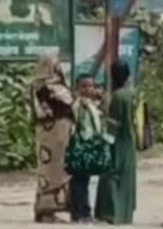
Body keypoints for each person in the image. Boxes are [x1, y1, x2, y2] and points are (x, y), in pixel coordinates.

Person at [31, 53, 74, 223]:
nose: (59, 68)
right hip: (51, 136)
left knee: (59, 170)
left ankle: (46, 209)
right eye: (55, 65)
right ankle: (47, 210)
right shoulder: (43, 88)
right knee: (50, 172)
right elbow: (52, 110)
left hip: (60, 136)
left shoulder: (58, 86)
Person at [95, 61, 137, 225]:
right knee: (126, 178)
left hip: (118, 143)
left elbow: (114, 126)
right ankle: (125, 214)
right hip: (130, 142)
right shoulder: (132, 93)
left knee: (111, 176)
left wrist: (104, 143)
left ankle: (111, 214)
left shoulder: (118, 97)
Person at [69, 73, 104, 223]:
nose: (88, 89)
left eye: (90, 85)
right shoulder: (79, 106)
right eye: (84, 86)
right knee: (79, 180)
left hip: (89, 146)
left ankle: (79, 213)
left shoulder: (91, 105)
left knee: (83, 180)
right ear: (77, 88)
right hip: (80, 146)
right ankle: (82, 213)